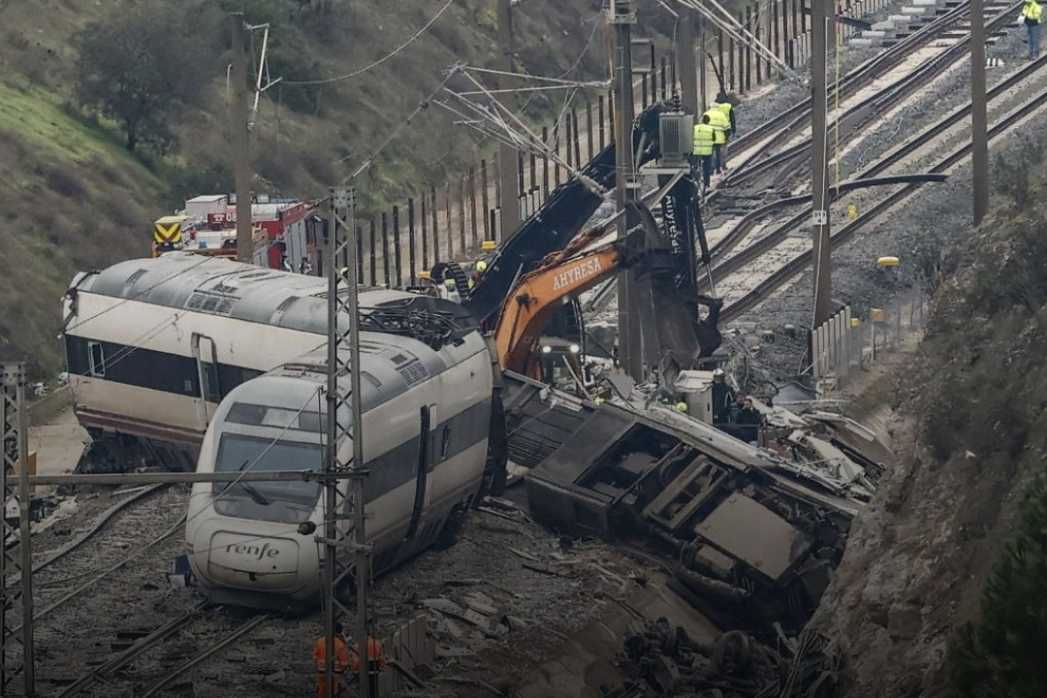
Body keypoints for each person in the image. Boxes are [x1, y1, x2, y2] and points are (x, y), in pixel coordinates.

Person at [313, 623, 352, 698]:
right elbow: (344, 663)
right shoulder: (340, 644)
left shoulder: (319, 641)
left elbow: (315, 657)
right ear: (340, 632)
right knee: (335, 694)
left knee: (321, 693)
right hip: (336, 675)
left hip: (321, 673)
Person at [348, 628, 386, 697]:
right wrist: (381, 667)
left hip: (363, 673)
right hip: (375, 672)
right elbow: (381, 659)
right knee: (374, 691)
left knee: (363, 691)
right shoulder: (377, 643)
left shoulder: (357, 646)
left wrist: (354, 670)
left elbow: (355, 661)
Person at [703, 104, 730, 174]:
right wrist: (726, 137)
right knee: (718, 153)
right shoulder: (721, 115)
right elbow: (727, 127)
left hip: (709, 138)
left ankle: (711, 170)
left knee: (710, 154)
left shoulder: (706, 113)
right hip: (719, 138)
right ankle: (718, 169)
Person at [692, 114, 716, 192]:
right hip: (707, 151)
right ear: (708, 121)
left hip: (697, 151)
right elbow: (714, 139)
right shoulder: (711, 129)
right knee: (706, 168)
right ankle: (707, 183)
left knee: (696, 167)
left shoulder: (696, 127)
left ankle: (696, 182)